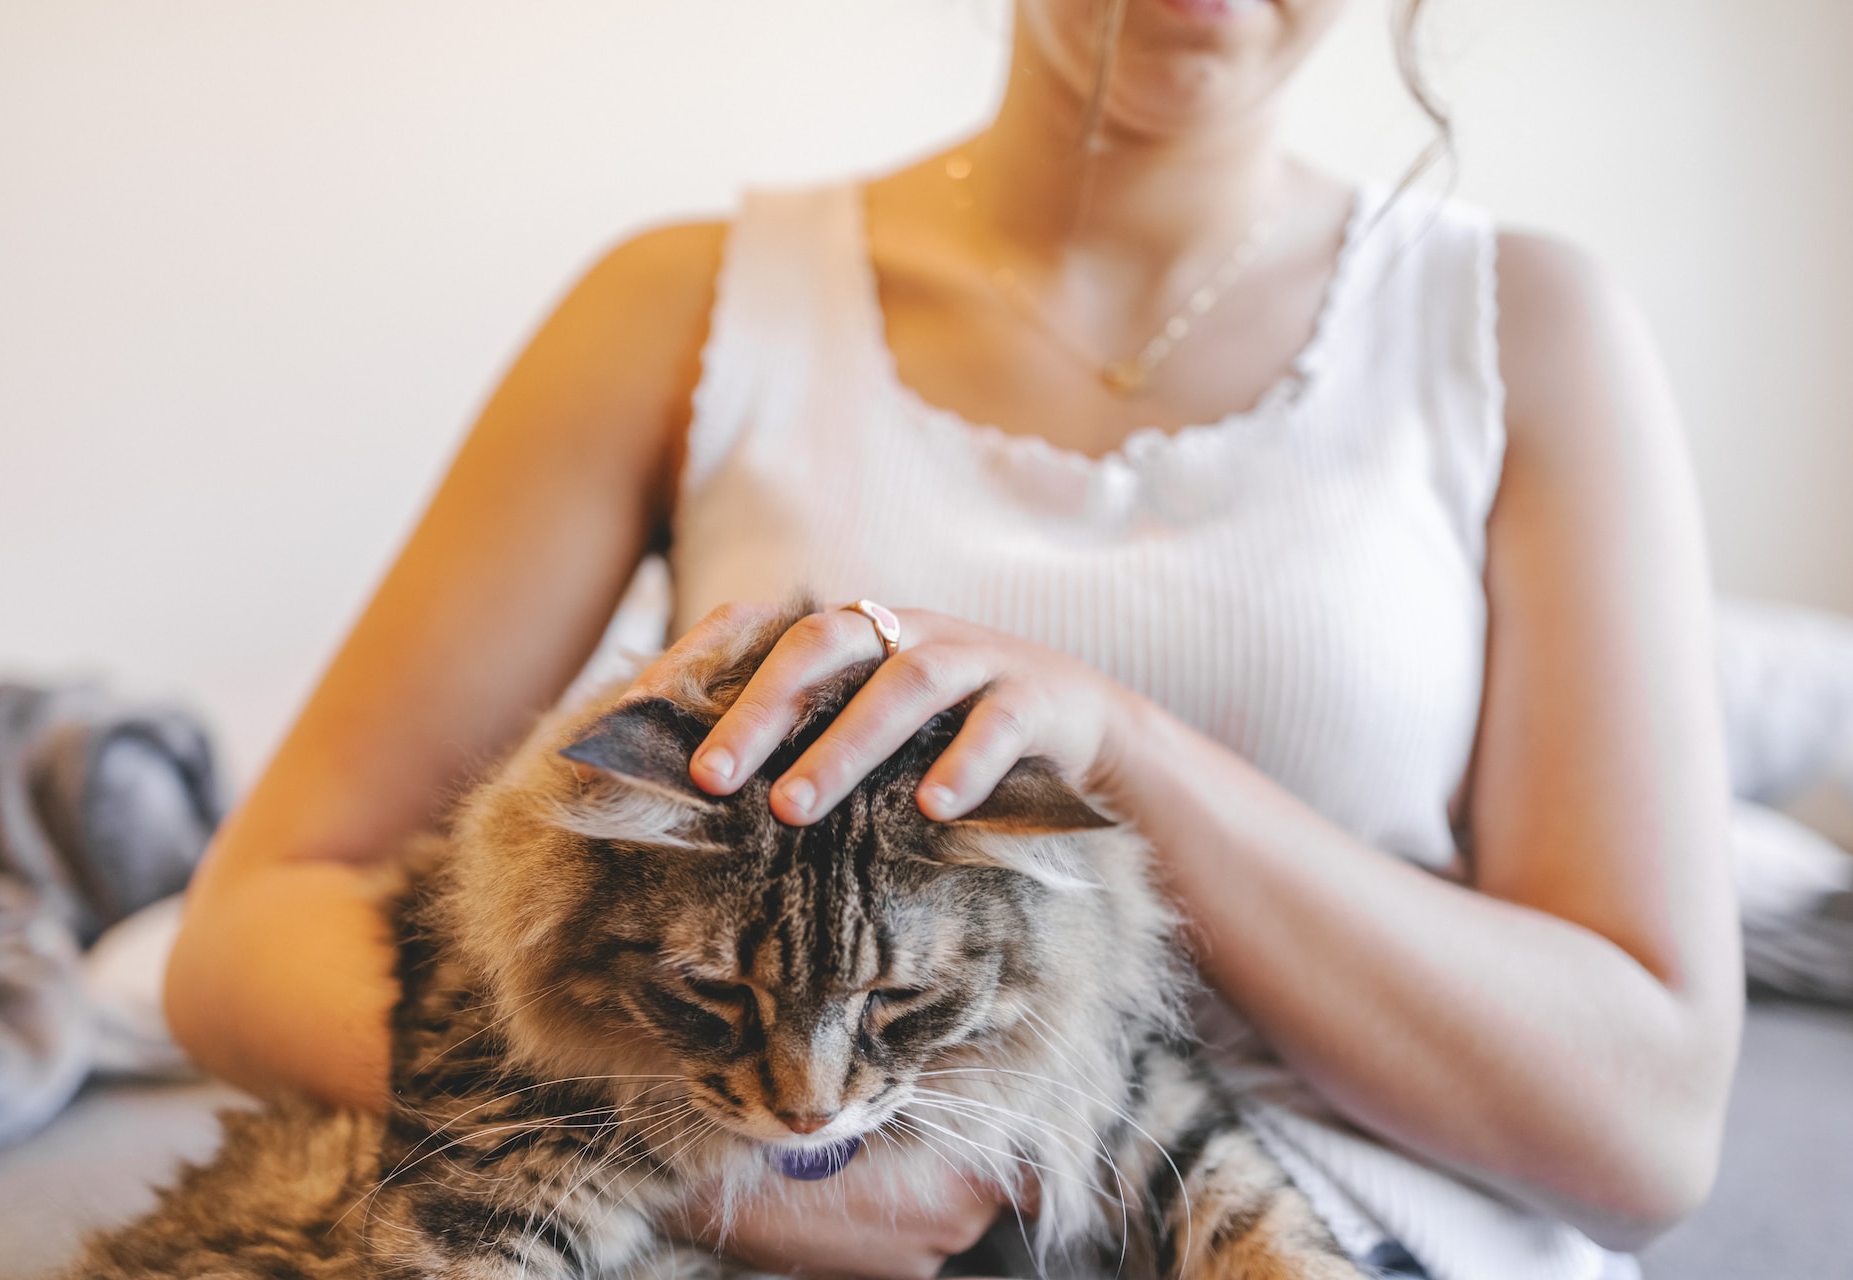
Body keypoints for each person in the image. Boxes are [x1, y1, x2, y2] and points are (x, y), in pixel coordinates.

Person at [164, 1, 1743, 1277]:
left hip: (1321, 1226)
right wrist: (757, 1172)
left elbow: (1649, 1136)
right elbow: (241, 938)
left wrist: (1119, 746)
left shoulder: (1523, 322)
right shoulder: (688, 303)